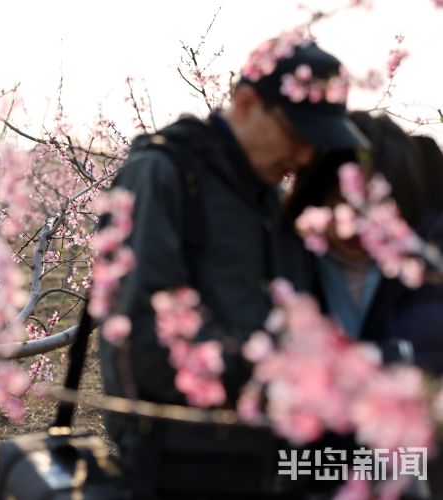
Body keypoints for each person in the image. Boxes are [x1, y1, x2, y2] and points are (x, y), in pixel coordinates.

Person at [98, 37, 368, 499]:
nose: (304, 156)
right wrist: (271, 372)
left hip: (263, 452)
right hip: (180, 457)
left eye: (315, 144)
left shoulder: (272, 200)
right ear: (246, 104)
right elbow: (145, 337)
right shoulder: (164, 172)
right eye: (297, 135)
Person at [286, 110, 443, 374]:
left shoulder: (430, 256)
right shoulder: (286, 257)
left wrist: (385, 362)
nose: (354, 225)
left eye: (373, 205)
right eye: (340, 201)